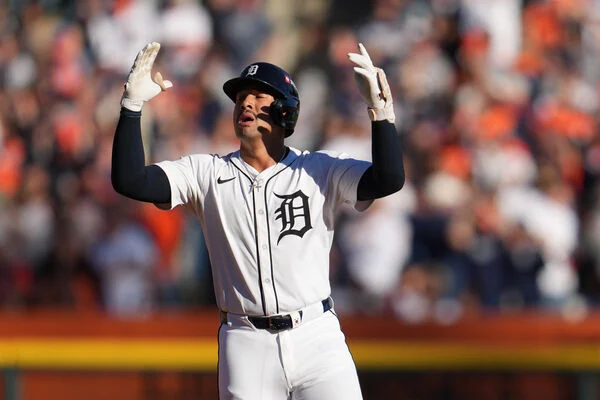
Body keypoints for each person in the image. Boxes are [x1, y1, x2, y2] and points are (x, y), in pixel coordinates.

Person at [112, 41, 404, 400]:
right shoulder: (206, 173)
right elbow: (131, 180)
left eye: (258, 96)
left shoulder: (319, 169)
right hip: (245, 342)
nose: (246, 103)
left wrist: (381, 113)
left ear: (286, 111)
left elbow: (388, 179)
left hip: (317, 336)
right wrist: (131, 107)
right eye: (240, 98)